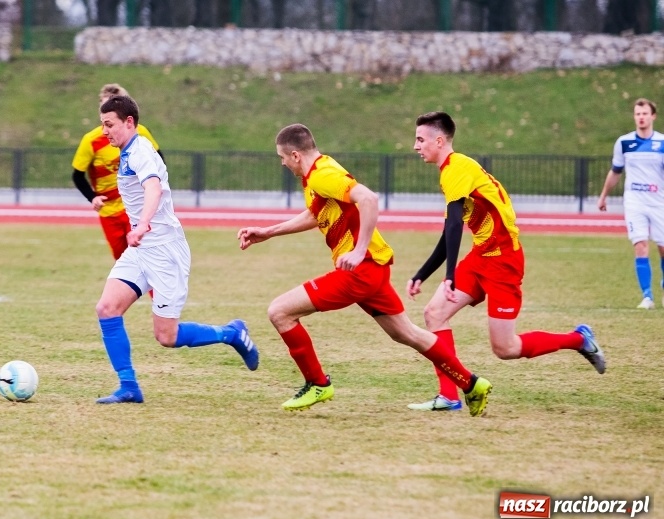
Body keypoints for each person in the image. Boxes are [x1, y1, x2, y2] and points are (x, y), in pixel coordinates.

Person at [237, 123, 492, 416]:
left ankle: (317, 384)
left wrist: (358, 251)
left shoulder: (323, 175)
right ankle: (471, 383)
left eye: (282, 157)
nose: (282, 163)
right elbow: (315, 214)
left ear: (295, 155)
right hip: (372, 269)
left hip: (360, 271)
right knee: (408, 334)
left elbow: (368, 199)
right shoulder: (319, 172)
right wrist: (268, 232)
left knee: (280, 312)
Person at [406, 111, 606, 412]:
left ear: (438, 140)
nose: (415, 146)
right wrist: (423, 273)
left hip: (504, 261)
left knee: (505, 348)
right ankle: (448, 396)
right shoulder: (450, 171)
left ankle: (578, 339)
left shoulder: (457, 167)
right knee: (434, 313)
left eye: (420, 139)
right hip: (480, 257)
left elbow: (454, 227)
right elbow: (451, 227)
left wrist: (448, 276)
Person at [93, 94, 259, 404]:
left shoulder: (141, 150)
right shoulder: (129, 151)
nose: (104, 131)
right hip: (142, 250)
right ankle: (129, 387)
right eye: (102, 125)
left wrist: (142, 225)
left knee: (166, 337)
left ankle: (232, 333)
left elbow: (153, 187)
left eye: (109, 125)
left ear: (129, 122)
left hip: (164, 250)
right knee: (107, 309)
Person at [72, 83, 166, 261]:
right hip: (110, 212)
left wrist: (153, 191)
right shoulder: (91, 140)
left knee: (150, 259)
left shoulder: (140, 133)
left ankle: (158, 289)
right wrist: (92, 197)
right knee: (125, 262)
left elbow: (158, 162)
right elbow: (77, 175)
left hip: (135, 208)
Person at [597, 98, 664, 310]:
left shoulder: (662, 143)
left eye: (644, 113)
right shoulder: (624, 143)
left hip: (659, 202)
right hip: (635, 202)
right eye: (637, 114)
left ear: (653, 116)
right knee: (641, 246)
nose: (641, 117)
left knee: (662, 248)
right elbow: (616, 172)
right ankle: (647, 296)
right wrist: (604, 195)